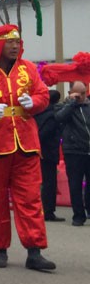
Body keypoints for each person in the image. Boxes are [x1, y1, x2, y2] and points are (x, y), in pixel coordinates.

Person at [0, 25, 56, 271]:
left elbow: (43, 96)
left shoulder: (28, 69)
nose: (15, 46)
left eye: (18, 41)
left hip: (25, 142)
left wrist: (34, 101)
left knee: (30, 198)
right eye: (10, 42)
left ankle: (34, 251)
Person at [56, 82, 90, 226]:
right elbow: (59, 118)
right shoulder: (64, 106)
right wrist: (71, 103)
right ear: (71, 92)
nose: (81, 97)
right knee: (75, 184)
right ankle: (78, 215)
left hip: (88, 150)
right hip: (73, 151)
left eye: (83, 93)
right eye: (78, 94)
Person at [35, 88, 65, 222]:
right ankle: (48, 211)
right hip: (48, 152)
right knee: (49, 182)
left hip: (38, 152)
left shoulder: (38, 112)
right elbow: (45, 133)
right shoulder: (52, 115)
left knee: (41, 181)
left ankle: (41, 208)